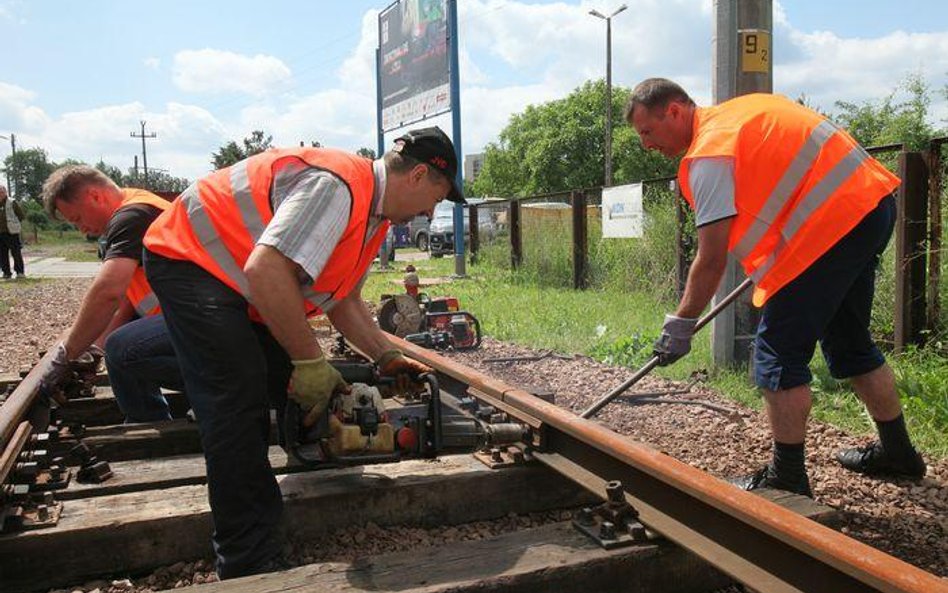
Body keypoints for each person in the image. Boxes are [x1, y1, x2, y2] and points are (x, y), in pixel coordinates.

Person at [141, 126, 465, 579]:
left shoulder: (374, 217)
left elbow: (343, 301)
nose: (431, 212)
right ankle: (247, 560)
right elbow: (267, 269)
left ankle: (305, 449)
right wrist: (312, 361)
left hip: (238, 277)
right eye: (437, 196)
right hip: (191, 259)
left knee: (282, 376)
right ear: (418, 176)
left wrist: (384, 356)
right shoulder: (337, 187)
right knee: (238, 399)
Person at [624, 78, 926, 497]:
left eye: (647, 132)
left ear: (673, 111)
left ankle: (786, 478)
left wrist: (682, 323)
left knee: (778, 353)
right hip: (867, 205)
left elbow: (710, 260)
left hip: (832, 227)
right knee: (850, 342)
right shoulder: (740, 113)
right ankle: (899, 453)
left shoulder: (710, 152)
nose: (647, 145)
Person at [38, 166, 183, 422]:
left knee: (122, 349)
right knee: (117, 342)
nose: (81, 229)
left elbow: (108, 293)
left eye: (78, 218)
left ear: (95, 196)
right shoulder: (134, 205)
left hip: (205, 328)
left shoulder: (133, 215)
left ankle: (203, 396)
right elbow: (126, 299)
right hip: (191, 318)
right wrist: (95, 348)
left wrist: (67, 354)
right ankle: (147, 418)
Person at [0, 185, 26, 279]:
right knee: (2, 254)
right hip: (0, 233)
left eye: (2, 192)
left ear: (5, 192)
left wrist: (14, 224)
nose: (0, 194)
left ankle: (20, 272)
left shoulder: (12, 202)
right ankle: (6, 272)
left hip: (12, 232)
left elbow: (21, 216)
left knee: (16, 252)